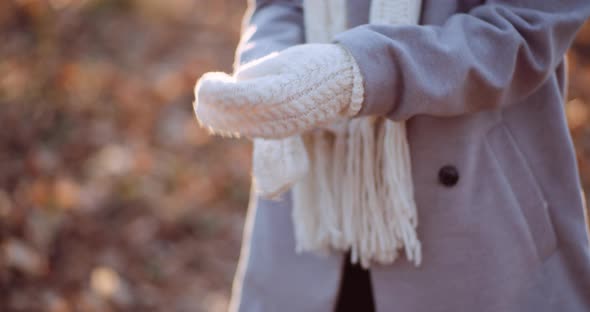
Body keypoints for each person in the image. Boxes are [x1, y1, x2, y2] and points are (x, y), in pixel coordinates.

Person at [195, 0, 590, 311]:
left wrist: (361, 72)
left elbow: (523, 30)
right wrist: (269, 72)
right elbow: (279, 4)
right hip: (315, 204)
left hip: (476, 216)